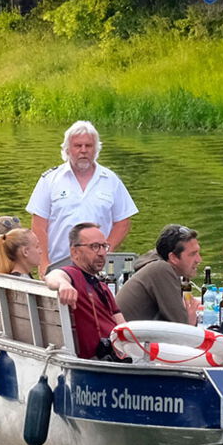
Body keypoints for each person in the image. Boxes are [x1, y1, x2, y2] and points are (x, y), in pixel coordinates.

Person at [28, 120, 138, 276]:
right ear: (67, 149)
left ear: (96, 149)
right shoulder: (50, 180)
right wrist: (44, 263)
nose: (83, 150)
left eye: (88, 146)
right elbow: (38, 225)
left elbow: (123, 222)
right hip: (59, 266)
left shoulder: (111, 180)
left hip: (99, 269)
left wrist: (105, 251)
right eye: (78, 146)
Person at [46, 223, 126, 360]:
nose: (101, 253)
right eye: (94, 247)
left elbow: (124, 328)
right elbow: (52, 276)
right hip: (97, 365)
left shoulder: (103, 287)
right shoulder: (74, 275)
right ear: (74, 252)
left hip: (118, 357)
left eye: (104, 246)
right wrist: (64, 284)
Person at [118, 224, 202, 324]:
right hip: (127, 338)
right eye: (192, 254)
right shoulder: (161, 270)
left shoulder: (157, 267)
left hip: (133, 335)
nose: (199, 259)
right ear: (173, 258)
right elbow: (182, 327)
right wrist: (191, 318)